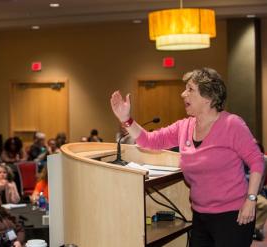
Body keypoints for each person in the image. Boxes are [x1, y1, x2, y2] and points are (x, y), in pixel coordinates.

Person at [110, 67, 264, 247]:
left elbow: (257, 160)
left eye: (190, 89)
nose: (183, 94)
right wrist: (126, 119)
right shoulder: (184, 127)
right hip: (200, 215)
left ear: (208, 97)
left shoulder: (232, 124)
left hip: (233, 215)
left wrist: (251, 199)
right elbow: (149, 140)